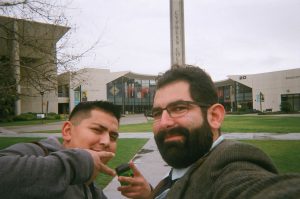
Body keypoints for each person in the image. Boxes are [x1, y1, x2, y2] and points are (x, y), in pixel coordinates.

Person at [118, 65, 300, 199]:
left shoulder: (232, 163)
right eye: (157, 113)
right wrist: (149, 195)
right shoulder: (186, 162)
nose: (164, 122)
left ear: (214, 116)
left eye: (180, 108)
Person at [0, 100, 121, 199]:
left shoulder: (92, 189)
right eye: (97, 130)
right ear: (67, 131)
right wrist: (78, 162)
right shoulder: (36, 152)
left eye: (113, 136)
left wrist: (140, 195)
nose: (106, 141)